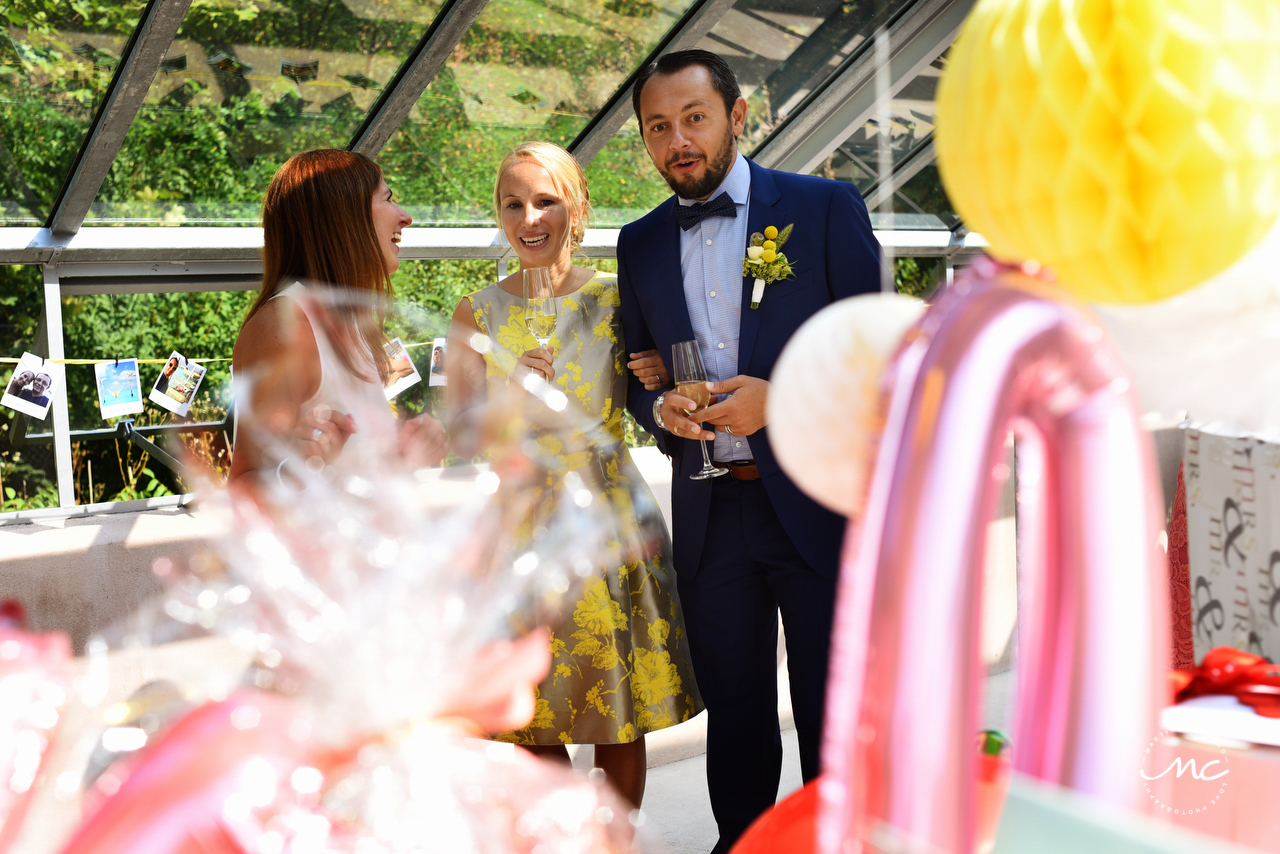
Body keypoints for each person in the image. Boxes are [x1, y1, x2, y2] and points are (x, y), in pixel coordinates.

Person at [616, 49, 882, 852]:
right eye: (658, 128)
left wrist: (786, 399)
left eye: (694, 118)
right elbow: (636, 377)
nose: (678, 141)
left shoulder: (826, 207)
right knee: (734, 710)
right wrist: (660, 406)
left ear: (737, 117)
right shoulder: (639, 242)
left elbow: (883, 358)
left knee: (832, 707)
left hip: (814, 505)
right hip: (708, 511)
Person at [447, 140, 702, 808]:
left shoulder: (620, 301)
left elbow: (666, 382)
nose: (529, 217)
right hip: (518, 525)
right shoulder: (475, 313)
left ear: (576, 207)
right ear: (499, 215)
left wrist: (659, 375)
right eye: (514, 204)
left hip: (606, 519)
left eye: (545, 200)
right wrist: (507, 401)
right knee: (529, 709)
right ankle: (573, 832)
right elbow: (460, 435)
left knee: (619, 706)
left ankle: (615, 841)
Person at [231, 149, 446, 484]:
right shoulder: (284, 326)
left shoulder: (349, 324)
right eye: (387, 199)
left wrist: (401, 452)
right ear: (345, 218)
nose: (405, 217)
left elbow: (351, 476)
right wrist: (296, 471)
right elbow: (243, 486)